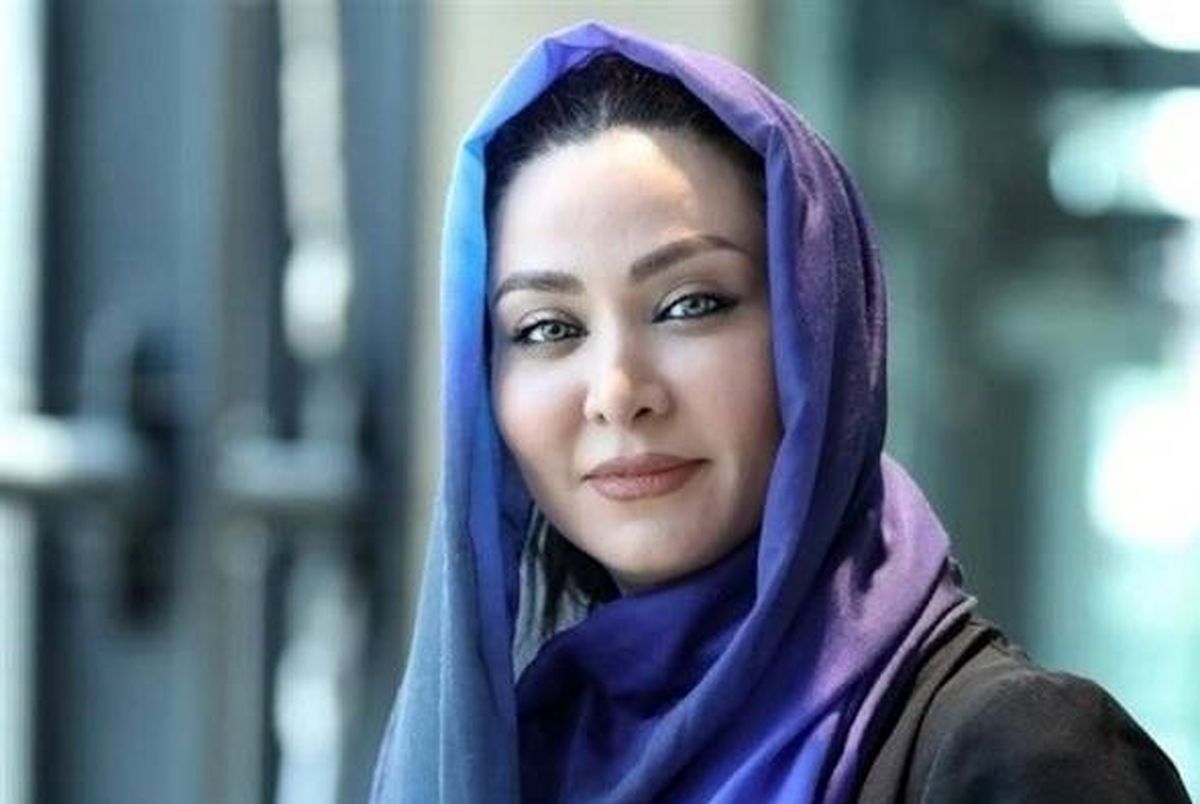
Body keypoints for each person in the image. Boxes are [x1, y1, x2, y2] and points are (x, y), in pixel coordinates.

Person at [370, 21, 1191, 803]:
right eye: (548, 328)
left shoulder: (1023, 758)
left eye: (690, 304)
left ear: (818, 333)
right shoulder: (514, 766)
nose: (618, 392)